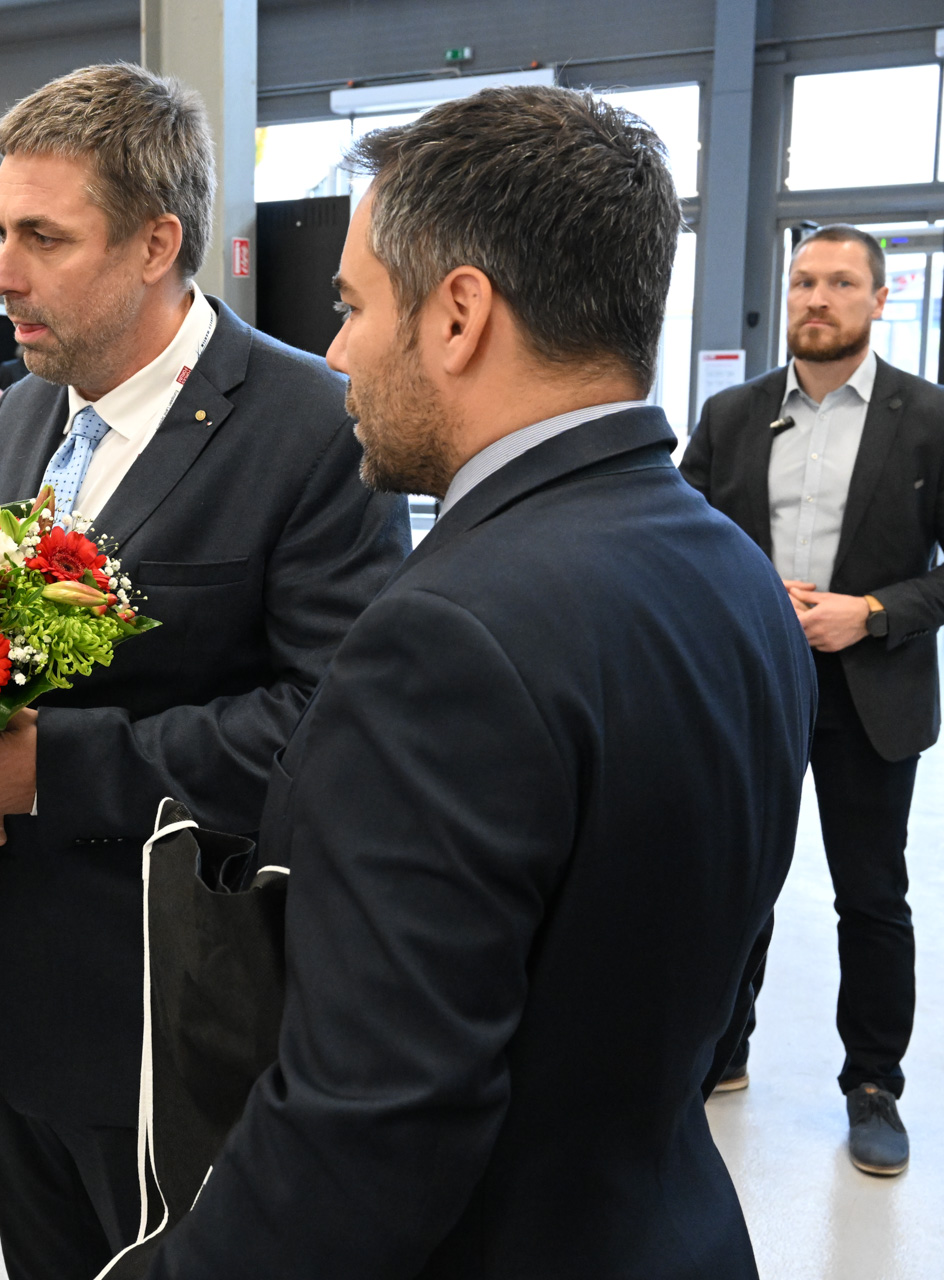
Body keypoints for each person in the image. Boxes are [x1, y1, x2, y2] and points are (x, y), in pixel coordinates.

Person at [146, 88, 815, 1279]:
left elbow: (367, 1133)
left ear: (459, 315)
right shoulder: (733, 570)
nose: (337, 351)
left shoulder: (446, 638)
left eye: (353, 306)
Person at [0, 64, 408, 1280]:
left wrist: (50, 772)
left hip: (176, 1025)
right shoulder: (24, 416)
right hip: (11, 1016)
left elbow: (326, 728)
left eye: (42, 237)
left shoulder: (311, 430)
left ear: (155, 244)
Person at [682, 223, 944, 1177]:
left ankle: (873, 1086)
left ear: (880, 298)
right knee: (736, 877)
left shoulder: (930, 418)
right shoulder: (732, 414)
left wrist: (868, 613)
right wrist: (753, 596)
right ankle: (722, 1048)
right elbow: (681, 534)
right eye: (803, 282)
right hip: (753, 681)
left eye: (839, 283)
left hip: (872, 692)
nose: (816, 299)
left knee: (870, 896)